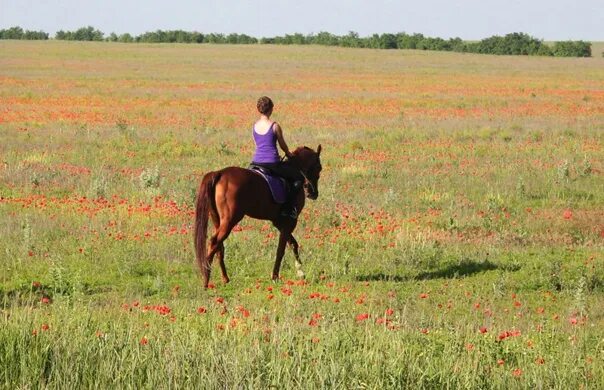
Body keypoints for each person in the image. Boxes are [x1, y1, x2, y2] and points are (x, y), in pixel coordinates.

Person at [250, 96, 303, 219]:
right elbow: (282, 145)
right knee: (298, 178)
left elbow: (257, 144)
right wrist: (288, 153)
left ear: (259, 109)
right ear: (271, 109)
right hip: (272, 163)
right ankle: (288, 209)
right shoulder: (274, 126)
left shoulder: (254, 126)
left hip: (256, 161)